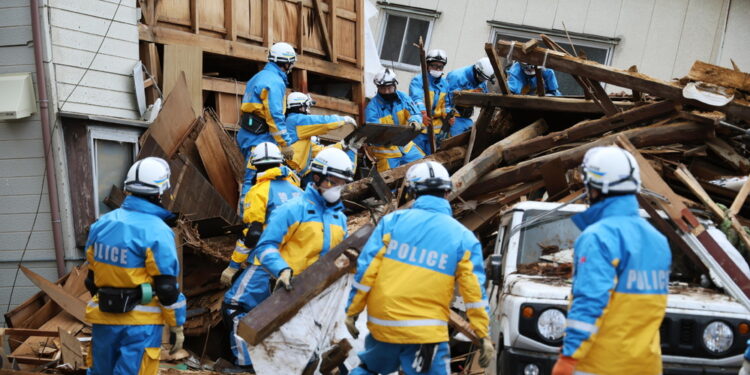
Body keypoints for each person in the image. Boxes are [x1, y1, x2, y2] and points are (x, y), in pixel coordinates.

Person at [345, 161, 495, 375]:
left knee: (369, 369)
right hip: (426, 332)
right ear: (447, 192)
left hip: (385, 322)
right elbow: (474, 292)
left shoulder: (392, 222)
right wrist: (482, 334)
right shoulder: (463, 238)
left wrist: (352, 311)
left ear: (413, 192)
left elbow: (367, 270)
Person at [222, 148, 353, 370]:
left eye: (342, 182)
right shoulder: (292, 209)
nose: (338, 187)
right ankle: (249, 366)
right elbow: (264, 246)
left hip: (317, 297)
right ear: (317, 177)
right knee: (240, 309)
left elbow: (344, 256)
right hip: (287, 287)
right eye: (334, 181)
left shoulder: (339, 218)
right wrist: (281, 270)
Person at [551, 146, 671, 375]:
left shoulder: (598, 237)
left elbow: (590, 301)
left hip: (600, 366)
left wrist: (569, 356)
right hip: (647, 366)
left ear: (595, 188)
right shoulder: (658, 241)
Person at [84, 157, 186, 375]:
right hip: (140, 326)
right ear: (160, 192)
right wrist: (177, 326)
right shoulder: (158, 231)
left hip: (103, 319)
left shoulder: (101, 225)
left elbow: (91, 280)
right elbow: (167, 288)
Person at [221, 142, 303, 287]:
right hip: (298, 259)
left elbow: (253, 234)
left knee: (234, 304)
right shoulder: (298, 191)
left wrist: (233, 266)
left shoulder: (258, 191)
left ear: (255, 165)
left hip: (266, 262)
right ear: (280, 162)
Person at [237, 41, 297, 205]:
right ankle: (248, 219)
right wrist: (285, 145)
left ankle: (258, 213)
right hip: (259, 138)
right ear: (286, 63)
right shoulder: (275, 82)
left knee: (258, 177)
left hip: (248, 133)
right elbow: (275, 116)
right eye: (291, 63)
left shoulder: (257, 77)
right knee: (253, 176)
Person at [284, 91, 362, 184]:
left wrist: (342, 145)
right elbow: (322, 122)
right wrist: (343, 120)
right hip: (291, 175)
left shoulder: (301, 137)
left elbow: (319, 151)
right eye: (307, 106)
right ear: (301, 107)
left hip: (296, 175)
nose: (308, 110)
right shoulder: (295, 120)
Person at [367, 68, 425, 172]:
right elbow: (373, 133)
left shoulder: (403, 97)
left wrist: (415, 121)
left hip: (406, 147)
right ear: (378, 87)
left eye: (389, 88)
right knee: (388, 183)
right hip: (386, 153)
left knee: (423, 167)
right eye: (383, 88)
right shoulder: (372, 108)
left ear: (395, 85)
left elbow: (415, 112)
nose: (386, 92)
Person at [409, 49, 454, 154]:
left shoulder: (445, 84)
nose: (438, 69)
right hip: (420, 127)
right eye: (434, 66)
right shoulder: (418, 80)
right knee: (416, 157)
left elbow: (447, 104)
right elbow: (416, 99)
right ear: (427, 65)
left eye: (440, 67)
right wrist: (423, 113)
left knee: (431, 158)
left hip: (436, 131)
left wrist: (448, 116)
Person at [446, 57, 495, 136]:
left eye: (485, 79)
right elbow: (446, 99)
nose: (482, 81)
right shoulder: (456, 77)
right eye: (482, 78)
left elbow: (486, 99)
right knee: (454, 143)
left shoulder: (481, 80)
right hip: (453, 118)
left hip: (467, 119)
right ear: (477, 70)